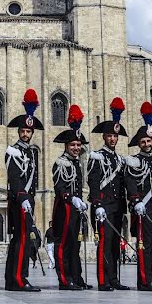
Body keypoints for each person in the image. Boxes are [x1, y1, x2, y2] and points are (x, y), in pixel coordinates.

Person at [88, 97, 130, 291]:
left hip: (118, 207)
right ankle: (103, 280)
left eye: (115, 136)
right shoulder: (97, 156)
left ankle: (114, 278)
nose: (112, 139)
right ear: (104, 137)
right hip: (103, 207)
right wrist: (97, 205)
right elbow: (94, 182)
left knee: (115, 245)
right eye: (109, 136)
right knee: (104, 244)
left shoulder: (120, 159)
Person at [4, 88, 43, 292]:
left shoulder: (32, 152)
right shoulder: (13, 151)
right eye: (23, 131)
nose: (26, 134)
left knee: (21, 239)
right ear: (19, 132)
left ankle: (12, 280)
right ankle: (19, 278)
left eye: (28, 132)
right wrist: (22, 196)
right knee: (22, 240)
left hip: (28, 200)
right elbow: (14, 177)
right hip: (20, 201)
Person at [125, 102, 152, 292]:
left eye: (149, 141)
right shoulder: (134, 161)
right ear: (139, 144)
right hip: (143, 207)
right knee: (144, 246)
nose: (147, 144)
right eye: (143, 142)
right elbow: (131, 182)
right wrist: (135, 201)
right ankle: (145, 280)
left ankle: (148, 279)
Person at [51, 104, 90, 290]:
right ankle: (65, 280)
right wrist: (71, 198)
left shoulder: (77, 164)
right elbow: (60, 187)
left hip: (75, 209)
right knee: (63, 245)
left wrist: (80, 202)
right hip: (64, 209)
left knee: (76, 245)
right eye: (73, 145)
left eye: (78, 145)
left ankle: (77, 278)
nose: (76, 148)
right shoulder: (60, 163)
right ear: (66, 146)